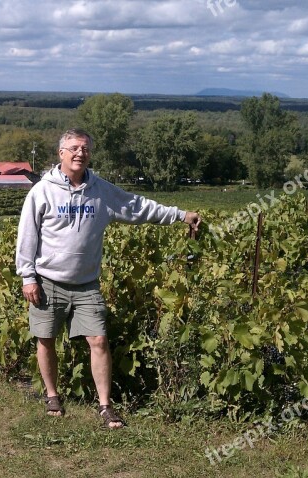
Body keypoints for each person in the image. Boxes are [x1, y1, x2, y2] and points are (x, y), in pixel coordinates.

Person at [15, 128, 202, 428]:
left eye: (85, 149)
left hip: (87, 283)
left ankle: (105, 406)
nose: (80, 153)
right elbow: (27, 235)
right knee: (46, 339)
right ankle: (52, 396)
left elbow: (137, 206)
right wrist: (28, 276)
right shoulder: (42, 191)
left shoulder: (101, 190)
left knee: (99, 340)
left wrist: (180, 215)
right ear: (61, 153)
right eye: (74, 148)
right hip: (48, 281)